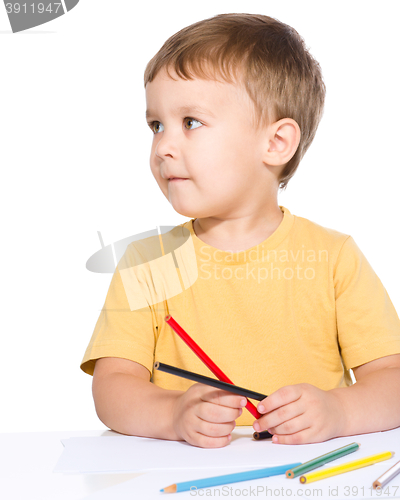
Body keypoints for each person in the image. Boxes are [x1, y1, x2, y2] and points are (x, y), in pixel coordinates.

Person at [80, 13, 400, 448]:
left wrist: (339, 410)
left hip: (304, 478)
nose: (163, 146)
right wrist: (172, 414)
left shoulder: (333, 257)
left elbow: (392, 381)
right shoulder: (149, 265)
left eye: (191, 122)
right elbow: (112, 386)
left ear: (275, 144)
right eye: (156, 125)